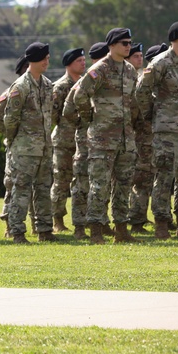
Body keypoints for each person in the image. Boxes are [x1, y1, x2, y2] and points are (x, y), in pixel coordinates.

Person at [135, 21, 178, 239]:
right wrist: (152, 114)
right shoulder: (160, 62)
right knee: (165, 177)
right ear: (174, 39)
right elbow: (142, 91)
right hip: (166, 130)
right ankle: (162, 223)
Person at [72, 28, 141, 244]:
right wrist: (90, 118)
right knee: (99, 185)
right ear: (111, 45)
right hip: (102, 138)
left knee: (123, 185)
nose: (128, 46)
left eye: (129, 42)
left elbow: (133, 102)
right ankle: (96, 231)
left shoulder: (130, 70)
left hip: (125, 139)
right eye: (123, 43)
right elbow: (80, 95)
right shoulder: (99, 69)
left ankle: (121, 230)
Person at [3, 42, 54, 244]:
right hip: (24, 149)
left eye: (48, 58)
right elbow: (10, 119)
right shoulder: (20, 87)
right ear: (32, 60)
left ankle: (45, 230)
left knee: (43, 189)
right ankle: (17, 232)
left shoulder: (48, 85)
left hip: (44, 148)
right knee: (21, 189)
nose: (46, 62)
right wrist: (16, 140)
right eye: (44, 58)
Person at [62, 42, 108, 240]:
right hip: (85, 138)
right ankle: (79, 227)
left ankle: (101, 223)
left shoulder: (110, 77)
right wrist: (87, 120)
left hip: (105, 139)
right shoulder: (89, 78)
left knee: (101, 183)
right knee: (81, 183)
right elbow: (68, 109)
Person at [128, 42, 167, 232]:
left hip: (155, 137)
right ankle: (136, 220)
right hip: (142, 137)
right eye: (136, 56)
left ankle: (146, 216)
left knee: (154, 178)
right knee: (141, 179)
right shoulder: (140, 81)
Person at [50, 47, 86, 234]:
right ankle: (57, 219)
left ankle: (81, 219)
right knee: (61, 181)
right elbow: (53, 115)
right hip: (64, 141)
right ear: (69, 64)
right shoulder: (60, 86)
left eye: (83, 60)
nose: (83, 63)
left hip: (81, 140)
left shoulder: (84, 84)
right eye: (79, 60)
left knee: (81, 181)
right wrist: (65, 128)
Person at [0, 55, 29, 237]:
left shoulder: (40, 88)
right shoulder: (12, 91)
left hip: (36, 147)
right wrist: (11, 136)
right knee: (13, 185)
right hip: (17, 147)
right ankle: (9, 224)